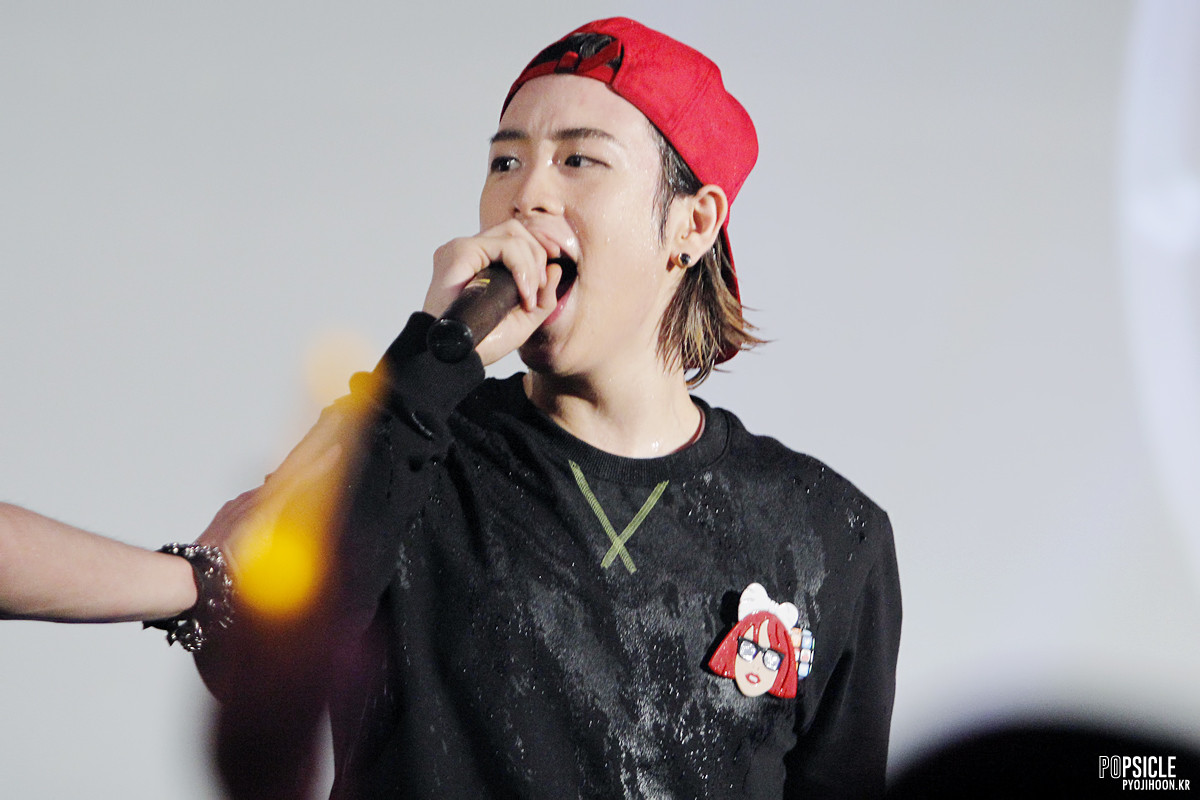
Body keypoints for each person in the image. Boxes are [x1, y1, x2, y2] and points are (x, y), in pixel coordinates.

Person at [4, 17, 902, 799]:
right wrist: (429, 362)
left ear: (693, 223)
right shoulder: (401, 448)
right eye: (505, 160)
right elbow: (248, 664)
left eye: (580, 159)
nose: (528, 193)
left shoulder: (830, 532)